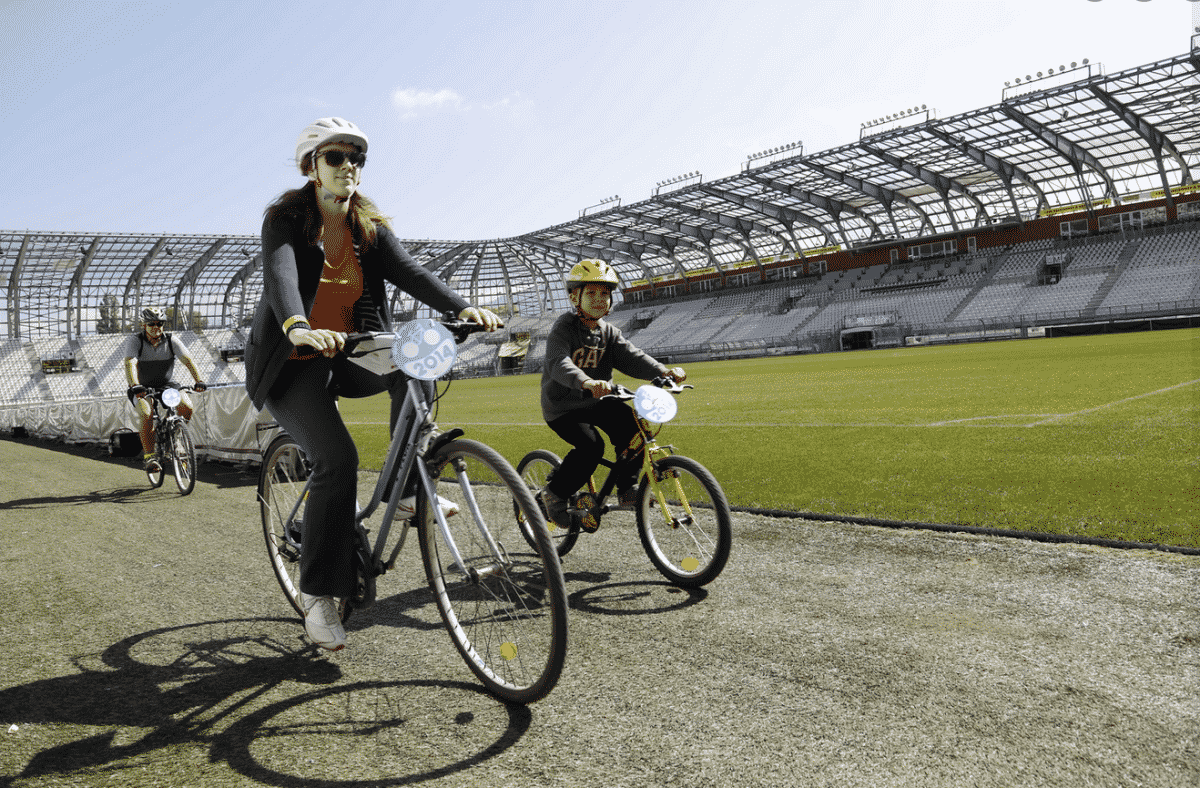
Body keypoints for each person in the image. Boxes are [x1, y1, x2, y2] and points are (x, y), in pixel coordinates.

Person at [244, 117, 501, 652]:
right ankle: (316, 595)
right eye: (334, 157)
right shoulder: (286, 218)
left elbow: (409, 272)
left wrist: (463, 308)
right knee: (336, 458)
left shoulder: (369, 225)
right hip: (293, 360)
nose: (348, 167)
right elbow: (280, 274)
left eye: (355, 157)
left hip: (354, 349)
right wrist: (299, 326)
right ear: (311, 167)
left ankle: (407, 492)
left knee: (418, 358)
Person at [538, 259, 685, 529]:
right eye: (591, 293)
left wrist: (663, 372)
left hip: (599, 401)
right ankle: (554, 494)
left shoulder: (609, 332)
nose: (599, 299)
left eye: (604, 293)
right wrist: (585, 381)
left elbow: (632, 358)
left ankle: (628, 489)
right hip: (564, 407)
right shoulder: (563, 329)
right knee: (591, 447)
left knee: (636, 430)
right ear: (574, 296)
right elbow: (559, 364)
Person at [124, 307, 207, 474]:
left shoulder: (171, 340)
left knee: (186, 406)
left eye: (160, 323)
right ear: (144, 325)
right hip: (142, 387)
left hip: (167, 385)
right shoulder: (135, 341)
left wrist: (199, 380)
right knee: (146, 414)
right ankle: (150, 457)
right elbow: (130, 363)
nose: (156, 327)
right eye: (152, 324)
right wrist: (135, 385)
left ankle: (175, 439)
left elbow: (187, 360)